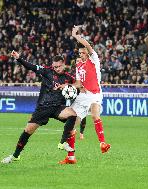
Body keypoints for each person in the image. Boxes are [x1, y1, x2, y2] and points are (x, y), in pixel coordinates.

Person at [1, 51, 78, 164]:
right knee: (27, 131)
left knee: (72, 114)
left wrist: (70, 86)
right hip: (43, 107)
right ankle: (15, 155)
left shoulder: (68, 77)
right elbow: (31, 67)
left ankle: (62, 142)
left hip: (58, 107)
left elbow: (79, 84)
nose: (57, 68)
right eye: (55, 66)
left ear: (64, 64)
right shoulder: (47, 71)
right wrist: (19, 58)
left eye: (59, 66)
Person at [57, 26, 111, 164]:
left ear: (88, 51)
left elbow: (87, 44)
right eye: (80, 53)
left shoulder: (94, 60)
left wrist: (75, 35)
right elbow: (78, 83)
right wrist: (66, 86)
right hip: (82, 96)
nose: (81, 54)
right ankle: (71, 157)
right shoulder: (78, 65)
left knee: (94, 114)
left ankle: (103, 143)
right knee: (71, 124)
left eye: (83, 52)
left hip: (95, 94)